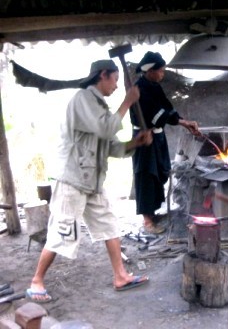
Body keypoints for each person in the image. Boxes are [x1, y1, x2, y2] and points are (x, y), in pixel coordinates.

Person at [26, 59, 153, 303]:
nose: (117, 86)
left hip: (92, 182)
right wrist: (128, 102)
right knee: (63, 232)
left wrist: (135, 143)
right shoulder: (83, 99)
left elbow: (110, 146)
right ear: (102, 75)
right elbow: (106, 129)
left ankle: (120, 276)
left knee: (109, 225)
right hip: (72, 180)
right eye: (115, 79)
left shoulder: (100, 107)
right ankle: (36, 281)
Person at [132, 51, 200, 234]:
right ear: (150, 71)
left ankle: (153, 213)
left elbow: (167, 109)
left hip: (157, 137)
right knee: (147, 174)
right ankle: (147, 220)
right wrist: (183, 123)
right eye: (160, 71)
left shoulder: (153, 86)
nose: (163, 74)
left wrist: (184, 121)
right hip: (144, 138)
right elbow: (156, 113)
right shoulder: (139, 89)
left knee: (159, 172)